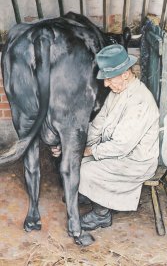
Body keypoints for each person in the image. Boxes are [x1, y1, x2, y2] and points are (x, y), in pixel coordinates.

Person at [52, 44, 159, 231]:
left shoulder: (140, 101)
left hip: (136, 161)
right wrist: (74, 145)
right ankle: (91, 193)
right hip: (119, 153)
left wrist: (89, 150)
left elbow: (121, 146)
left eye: (109, 78)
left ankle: (102, 215)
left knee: (86, 171)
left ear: (125, 73)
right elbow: (97, 125)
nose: (105, 84)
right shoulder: (118, 93)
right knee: (79, 163)